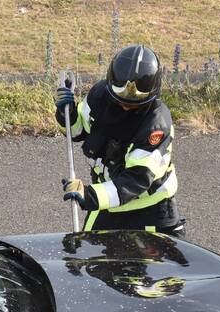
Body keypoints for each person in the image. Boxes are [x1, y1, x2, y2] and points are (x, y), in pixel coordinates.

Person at [55, 45, 184, 236]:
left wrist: (89, 195)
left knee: (158, 267)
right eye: (121, 98)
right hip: (108, 204)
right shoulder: (99, 96)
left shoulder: (156, 124)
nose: (125, 105)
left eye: (133, 103)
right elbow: (77, 132)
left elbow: (137, 179)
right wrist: (67, 113)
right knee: (88, 260)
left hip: (150, 211)